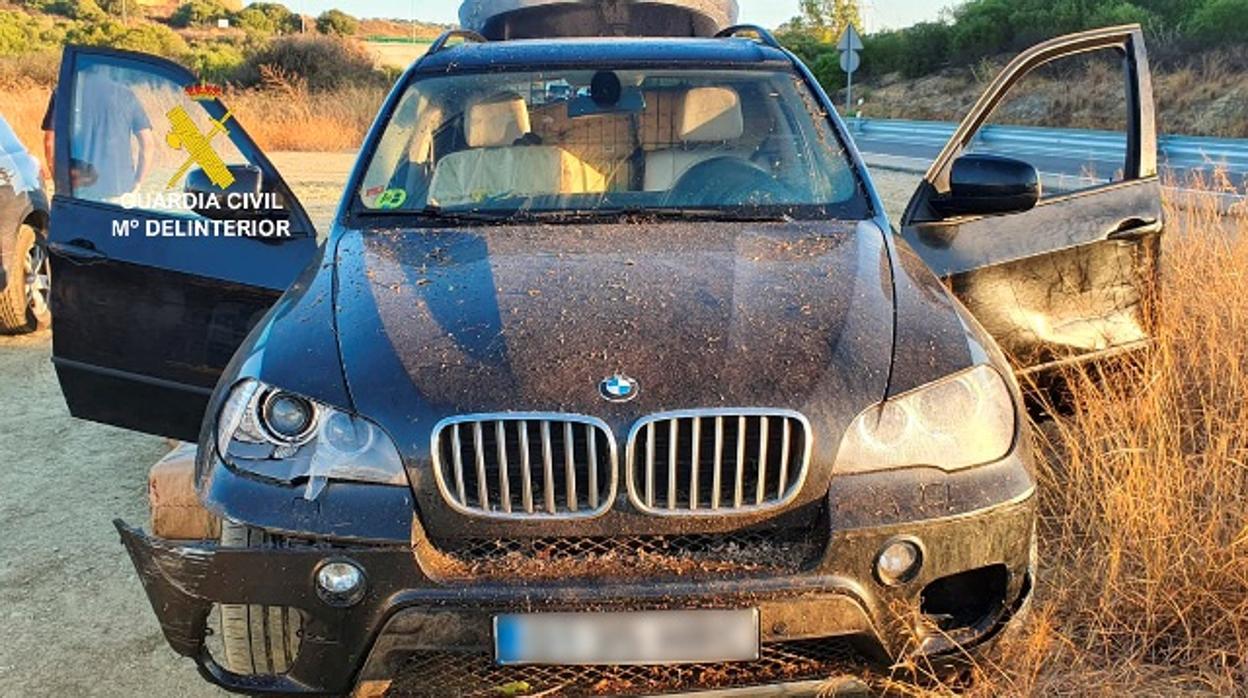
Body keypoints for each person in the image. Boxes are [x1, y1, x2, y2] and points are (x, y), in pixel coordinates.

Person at [41, 72, 155, 201]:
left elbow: (49, 142)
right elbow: (147, 144)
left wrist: (60, 182)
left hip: (78, 188)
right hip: (119, 187)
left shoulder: (64, 92)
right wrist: (138, 183)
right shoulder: (125, 94)